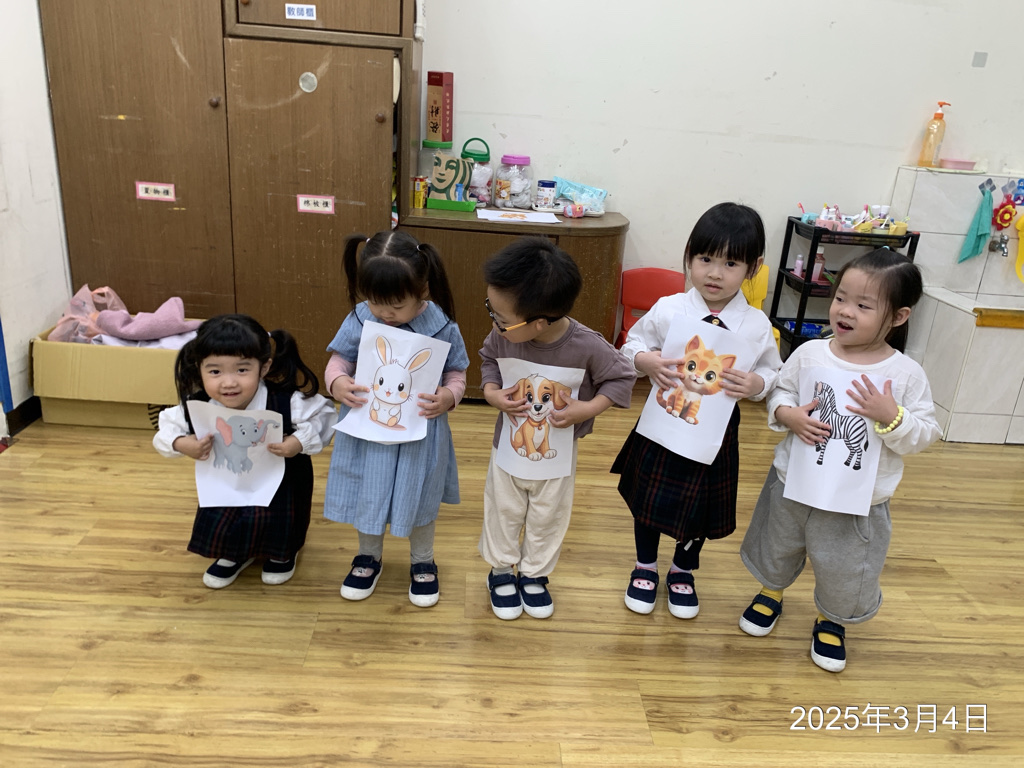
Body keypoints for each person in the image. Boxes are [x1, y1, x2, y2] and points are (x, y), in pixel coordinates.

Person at [738, 247, 940, 672]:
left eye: (863, 305)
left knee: (846, 564)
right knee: (778, 541)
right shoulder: (810, 353)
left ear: (898, 316)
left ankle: (832, 619)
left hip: (859, 501)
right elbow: (782, 390)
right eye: (841, 298)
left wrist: (893, 417)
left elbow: (925, 433)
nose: (845, 311)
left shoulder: (905, 374)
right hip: (793, 482)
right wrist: (787, 414)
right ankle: (771, 591)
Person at [614, 202, 783, 619]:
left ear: (753, 268)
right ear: (689, 255)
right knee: (648, 496)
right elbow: (632, 344)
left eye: (730, 264)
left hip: (714, 431)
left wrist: (757, 384)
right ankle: (645, 565)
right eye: (705, 259)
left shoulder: (756, 325)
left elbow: (772, 371)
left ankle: (683, 570)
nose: (715, 273)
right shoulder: (670, 308)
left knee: (700, 505)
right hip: (663, 421)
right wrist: (645, 361)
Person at [479, 236, 636, 620]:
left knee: (548, 514)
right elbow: (488, 360)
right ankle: (501, 570)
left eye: (501, 319)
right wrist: (491, 393)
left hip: (558, 456)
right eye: (492, 311)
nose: (495, 325)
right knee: (502, 510)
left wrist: (588, 409)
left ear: (537, 323)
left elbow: (622, 378)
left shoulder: (587, 345)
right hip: (507, 449)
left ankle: (535, 574)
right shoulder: (503, 336)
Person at [323, 230, 469, 608]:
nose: (385, 313)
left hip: (420, 434)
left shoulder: (442, 325)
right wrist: (337, 382)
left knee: (419, 497)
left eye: (397, 305)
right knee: (368, 492)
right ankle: (368, 557)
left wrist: (450, 396)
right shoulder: (360, 317)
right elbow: (339, 360)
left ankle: (423, 561)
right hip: (368, 432)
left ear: (423, 290)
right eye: (375, 302)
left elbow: (457, 372)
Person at [154, 314, 336, 589]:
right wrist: (182, 443)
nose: (228, 383)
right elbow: (166, 427)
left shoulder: (285, 400)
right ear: (199, 368)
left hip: (281, 480)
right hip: (225, 478)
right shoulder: (198, 404)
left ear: (264, 367)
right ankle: (234, 553)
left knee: (279, 518)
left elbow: (325, 416)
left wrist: (298, 442)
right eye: (215, 372)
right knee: (226, 514)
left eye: (241, 370)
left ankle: (282, 553)